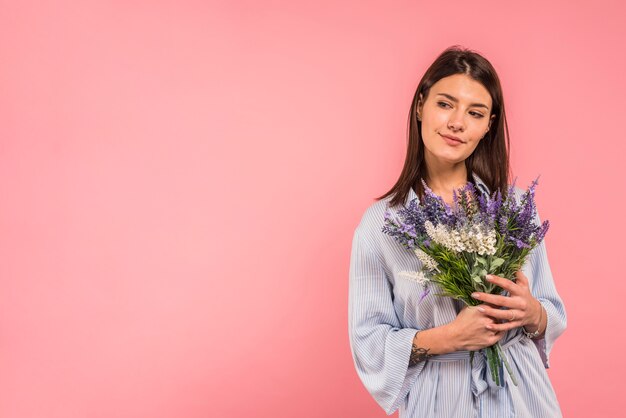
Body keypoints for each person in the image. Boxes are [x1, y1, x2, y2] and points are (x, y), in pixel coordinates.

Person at [348, 45, 567, 417]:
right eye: (445, 104)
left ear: (488, 126)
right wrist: (448, 337)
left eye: (475, 112)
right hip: (439, 397)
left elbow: (552, 311)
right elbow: (368, 341)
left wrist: (531, 312)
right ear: (421, 106)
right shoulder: (381, 225)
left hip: (522, 390)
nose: (457, 123)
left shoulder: (514, 209)